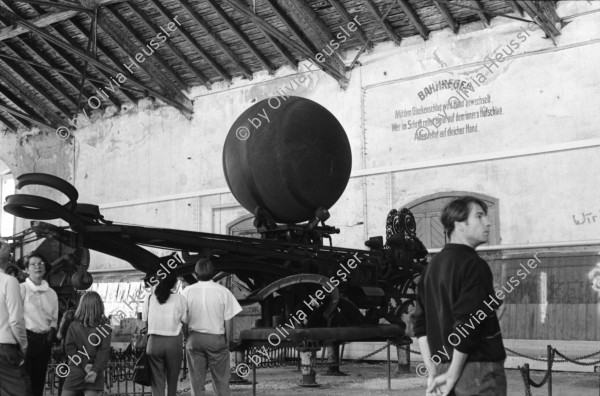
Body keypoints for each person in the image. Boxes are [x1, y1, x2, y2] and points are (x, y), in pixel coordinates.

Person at [412, 196, 506, 396]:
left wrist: (433, 372)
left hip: (444, 368)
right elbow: (468, 323)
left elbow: (420, 325)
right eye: (479, 216)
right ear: (459, 225)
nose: (487, 222)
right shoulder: (474, 265)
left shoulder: (430, 269)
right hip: (476, 369)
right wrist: (454, 374)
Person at [182, 259, 242, 396]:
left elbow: (183, 320)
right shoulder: (223, 292)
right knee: (221, 382)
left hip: (194, 339)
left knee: (196, 383)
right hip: (216, 340)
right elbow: (229, 320)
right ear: (213, 273)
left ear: (195, 273)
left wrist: (187, 338)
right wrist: (227, 342)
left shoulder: (186, 292)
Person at [142, 274, 187, 396]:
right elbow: (184, 321)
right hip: (173, 343)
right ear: (174, 284)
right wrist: (187, 338)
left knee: (157, 381)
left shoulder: (149, 298)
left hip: (154, 343)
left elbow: (145, 322)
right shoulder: (180, 299)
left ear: (157, 281)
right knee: (173, 380)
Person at [20, 253, 59, 396]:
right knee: (24, 384)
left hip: (44, 341)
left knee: (39, 382)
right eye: (33, 264)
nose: (38, 266)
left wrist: (50, 336)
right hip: (25, 340)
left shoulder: (52, 293)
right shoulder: (21, 289)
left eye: (41, 263)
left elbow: (54, 319)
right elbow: (14, 317)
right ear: (26, 269)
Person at [62, 291, 112, 396]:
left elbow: (69, 348)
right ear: (99, 306)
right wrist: (95, 370)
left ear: (81, 306)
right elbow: (104, 351)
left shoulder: (73, 326)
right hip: (94, 372)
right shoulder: (105, 327)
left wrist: (84, 364)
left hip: (76, 370)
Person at [0, 239, 32, 396]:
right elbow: (15, 320)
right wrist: (24, 346)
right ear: (9, 257)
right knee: (21, 391)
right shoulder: (9, 281)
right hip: (4, 349)